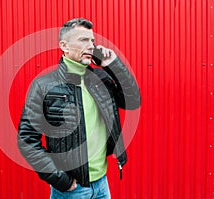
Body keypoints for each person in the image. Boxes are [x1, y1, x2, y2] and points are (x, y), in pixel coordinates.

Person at [17, 18, 141, 198]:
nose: (91, 46)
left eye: (92, 40)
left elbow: (133, 100)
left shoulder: (101, 79)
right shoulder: (44, 85)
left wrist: (113, 65)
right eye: (83, 40)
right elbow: (27, 140)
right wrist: (62, 181)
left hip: (102, 184)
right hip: (71, 189)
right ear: (64, 46)